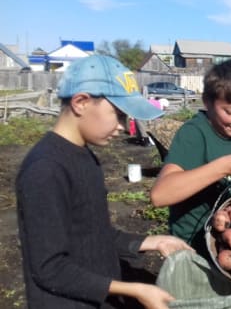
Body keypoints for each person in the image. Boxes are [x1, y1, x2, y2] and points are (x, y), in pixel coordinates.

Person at [15, 55, 194, 309]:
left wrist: (150, 242)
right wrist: (132, 289)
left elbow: (93, 233)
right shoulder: (45, 170)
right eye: (118, 115)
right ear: (81, 102)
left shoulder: (86, 157)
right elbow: (49, 268)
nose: (123, 126)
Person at [150, 59, 231, 258]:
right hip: (194, 249)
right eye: (230, 111)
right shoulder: (195, 134)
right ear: (207, 102)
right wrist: (226, 165)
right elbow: (159, 195)